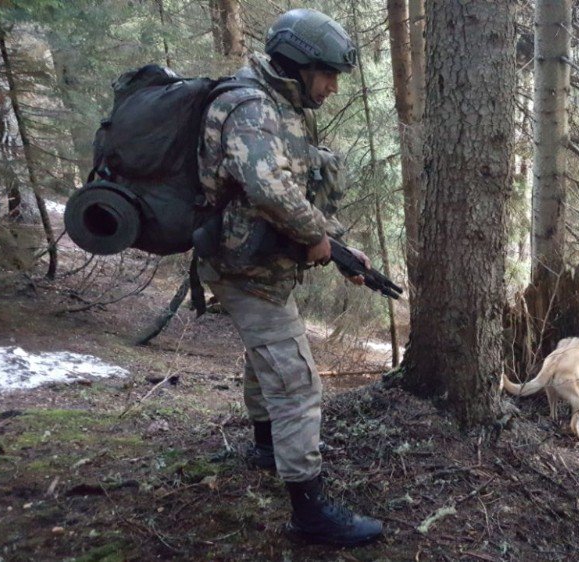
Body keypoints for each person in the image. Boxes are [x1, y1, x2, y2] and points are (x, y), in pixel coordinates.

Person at [196, 8, 382, 547]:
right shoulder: (252, 106)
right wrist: (316, 239)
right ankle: (310, 512)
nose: (331, 86)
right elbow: (270, 192)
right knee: (297, 382)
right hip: (245, 269)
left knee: (267, 359)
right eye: (327, 73)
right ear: (297, 64)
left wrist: (341, 247)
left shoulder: (281, 105)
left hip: (257, 265)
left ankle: (263, 446)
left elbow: (294, 190)